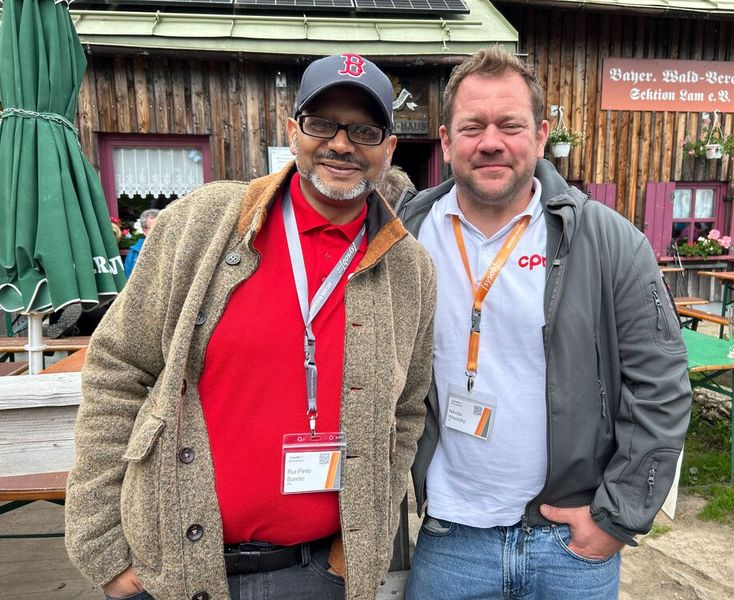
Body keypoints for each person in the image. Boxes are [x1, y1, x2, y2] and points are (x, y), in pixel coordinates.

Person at [65, 53, 436, 600]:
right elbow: (118, 369)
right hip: (171, 569)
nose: (341, 144)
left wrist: (351, 557)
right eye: (322, 124)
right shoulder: (204, 221)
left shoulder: (408, 269)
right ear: (293, 131)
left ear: (388, 148)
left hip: (315, 576)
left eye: (364, 130)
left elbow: (405, 412)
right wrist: (105, 548)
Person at [398, 46, 692, 599]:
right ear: (444, 139)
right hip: (450, 539)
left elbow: (662, 386)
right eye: (472, 126)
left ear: (541, 133)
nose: (490, 142)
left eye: (510, 124)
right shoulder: (403, 237)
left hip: (569, 546)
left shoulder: (609, 242)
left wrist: (617, 518)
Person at [123, 208, 160, 277]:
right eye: (155, 228)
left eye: (162, 226)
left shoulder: (173, 249)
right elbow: (128, 279)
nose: (160, 231)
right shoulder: (135, 252)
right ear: (144, 231)